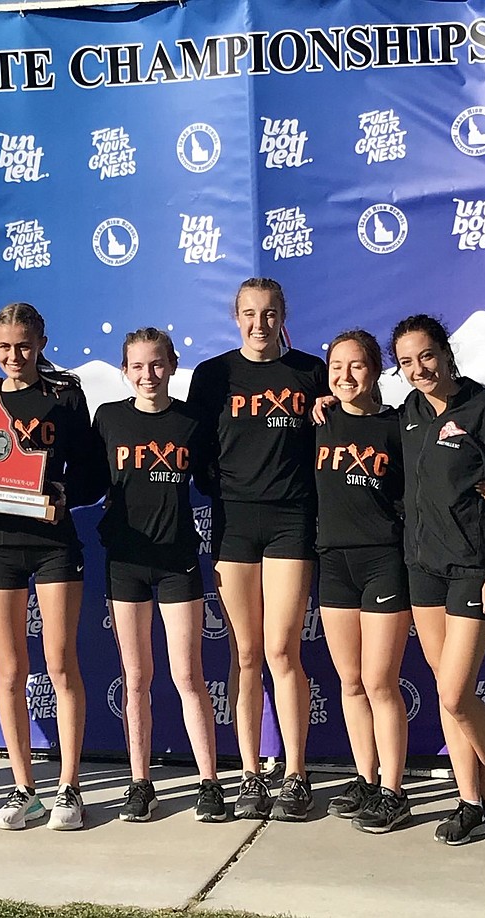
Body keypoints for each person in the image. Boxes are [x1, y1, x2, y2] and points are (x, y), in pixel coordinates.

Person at [187, 277, 328, 821]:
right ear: (235, 316)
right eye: (249, 314)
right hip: (234, 526)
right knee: (244, 654)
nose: (259, 324)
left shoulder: (311, 372)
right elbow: (194, 446)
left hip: (293, 522)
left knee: (282, 651)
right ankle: (248, 774)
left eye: (269, 314)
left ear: (283, 316)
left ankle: (295, 774)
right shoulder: (212, 375)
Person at [0, 303, 105, 831]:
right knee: (9, 669)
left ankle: (68, 787)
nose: (14, 356)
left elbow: (92, 476)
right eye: (4, 347)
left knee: (61, 661)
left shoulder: (65, 394)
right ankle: (24, 789)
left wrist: (65, 492)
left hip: (53, 542)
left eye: (24, 345)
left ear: (42, 342)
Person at [392, 314, 485, 846]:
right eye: (406, 362)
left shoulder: (484, 411)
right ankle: (469, 801)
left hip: (474, 569)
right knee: (447, 687)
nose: (418, 369)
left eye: (426, 356)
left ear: (446, 353)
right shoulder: (408, 413)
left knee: (453, 695)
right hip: (422, 567)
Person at [92, 327, 226, 823]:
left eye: (156, 364)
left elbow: (217, 478)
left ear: (172, 364)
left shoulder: (192, 421)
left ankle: (209, 783)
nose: (148, 375)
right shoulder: (108, 419)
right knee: (136, 678)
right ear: (125, 371)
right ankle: (140, 783)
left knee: (188, 676)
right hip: (126, 562)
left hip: (178, 563)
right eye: (137, 366)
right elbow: (84, 477)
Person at [313, 330, 412, 834]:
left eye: (356, 366)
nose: (345, 376)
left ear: (375, 371)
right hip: (333, 562)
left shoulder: (397, 427)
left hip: (383, 564)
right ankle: (367, 778)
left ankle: (395, 791)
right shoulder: (320, 419)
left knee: (379, 682)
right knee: (350, 682)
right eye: (336, 366)